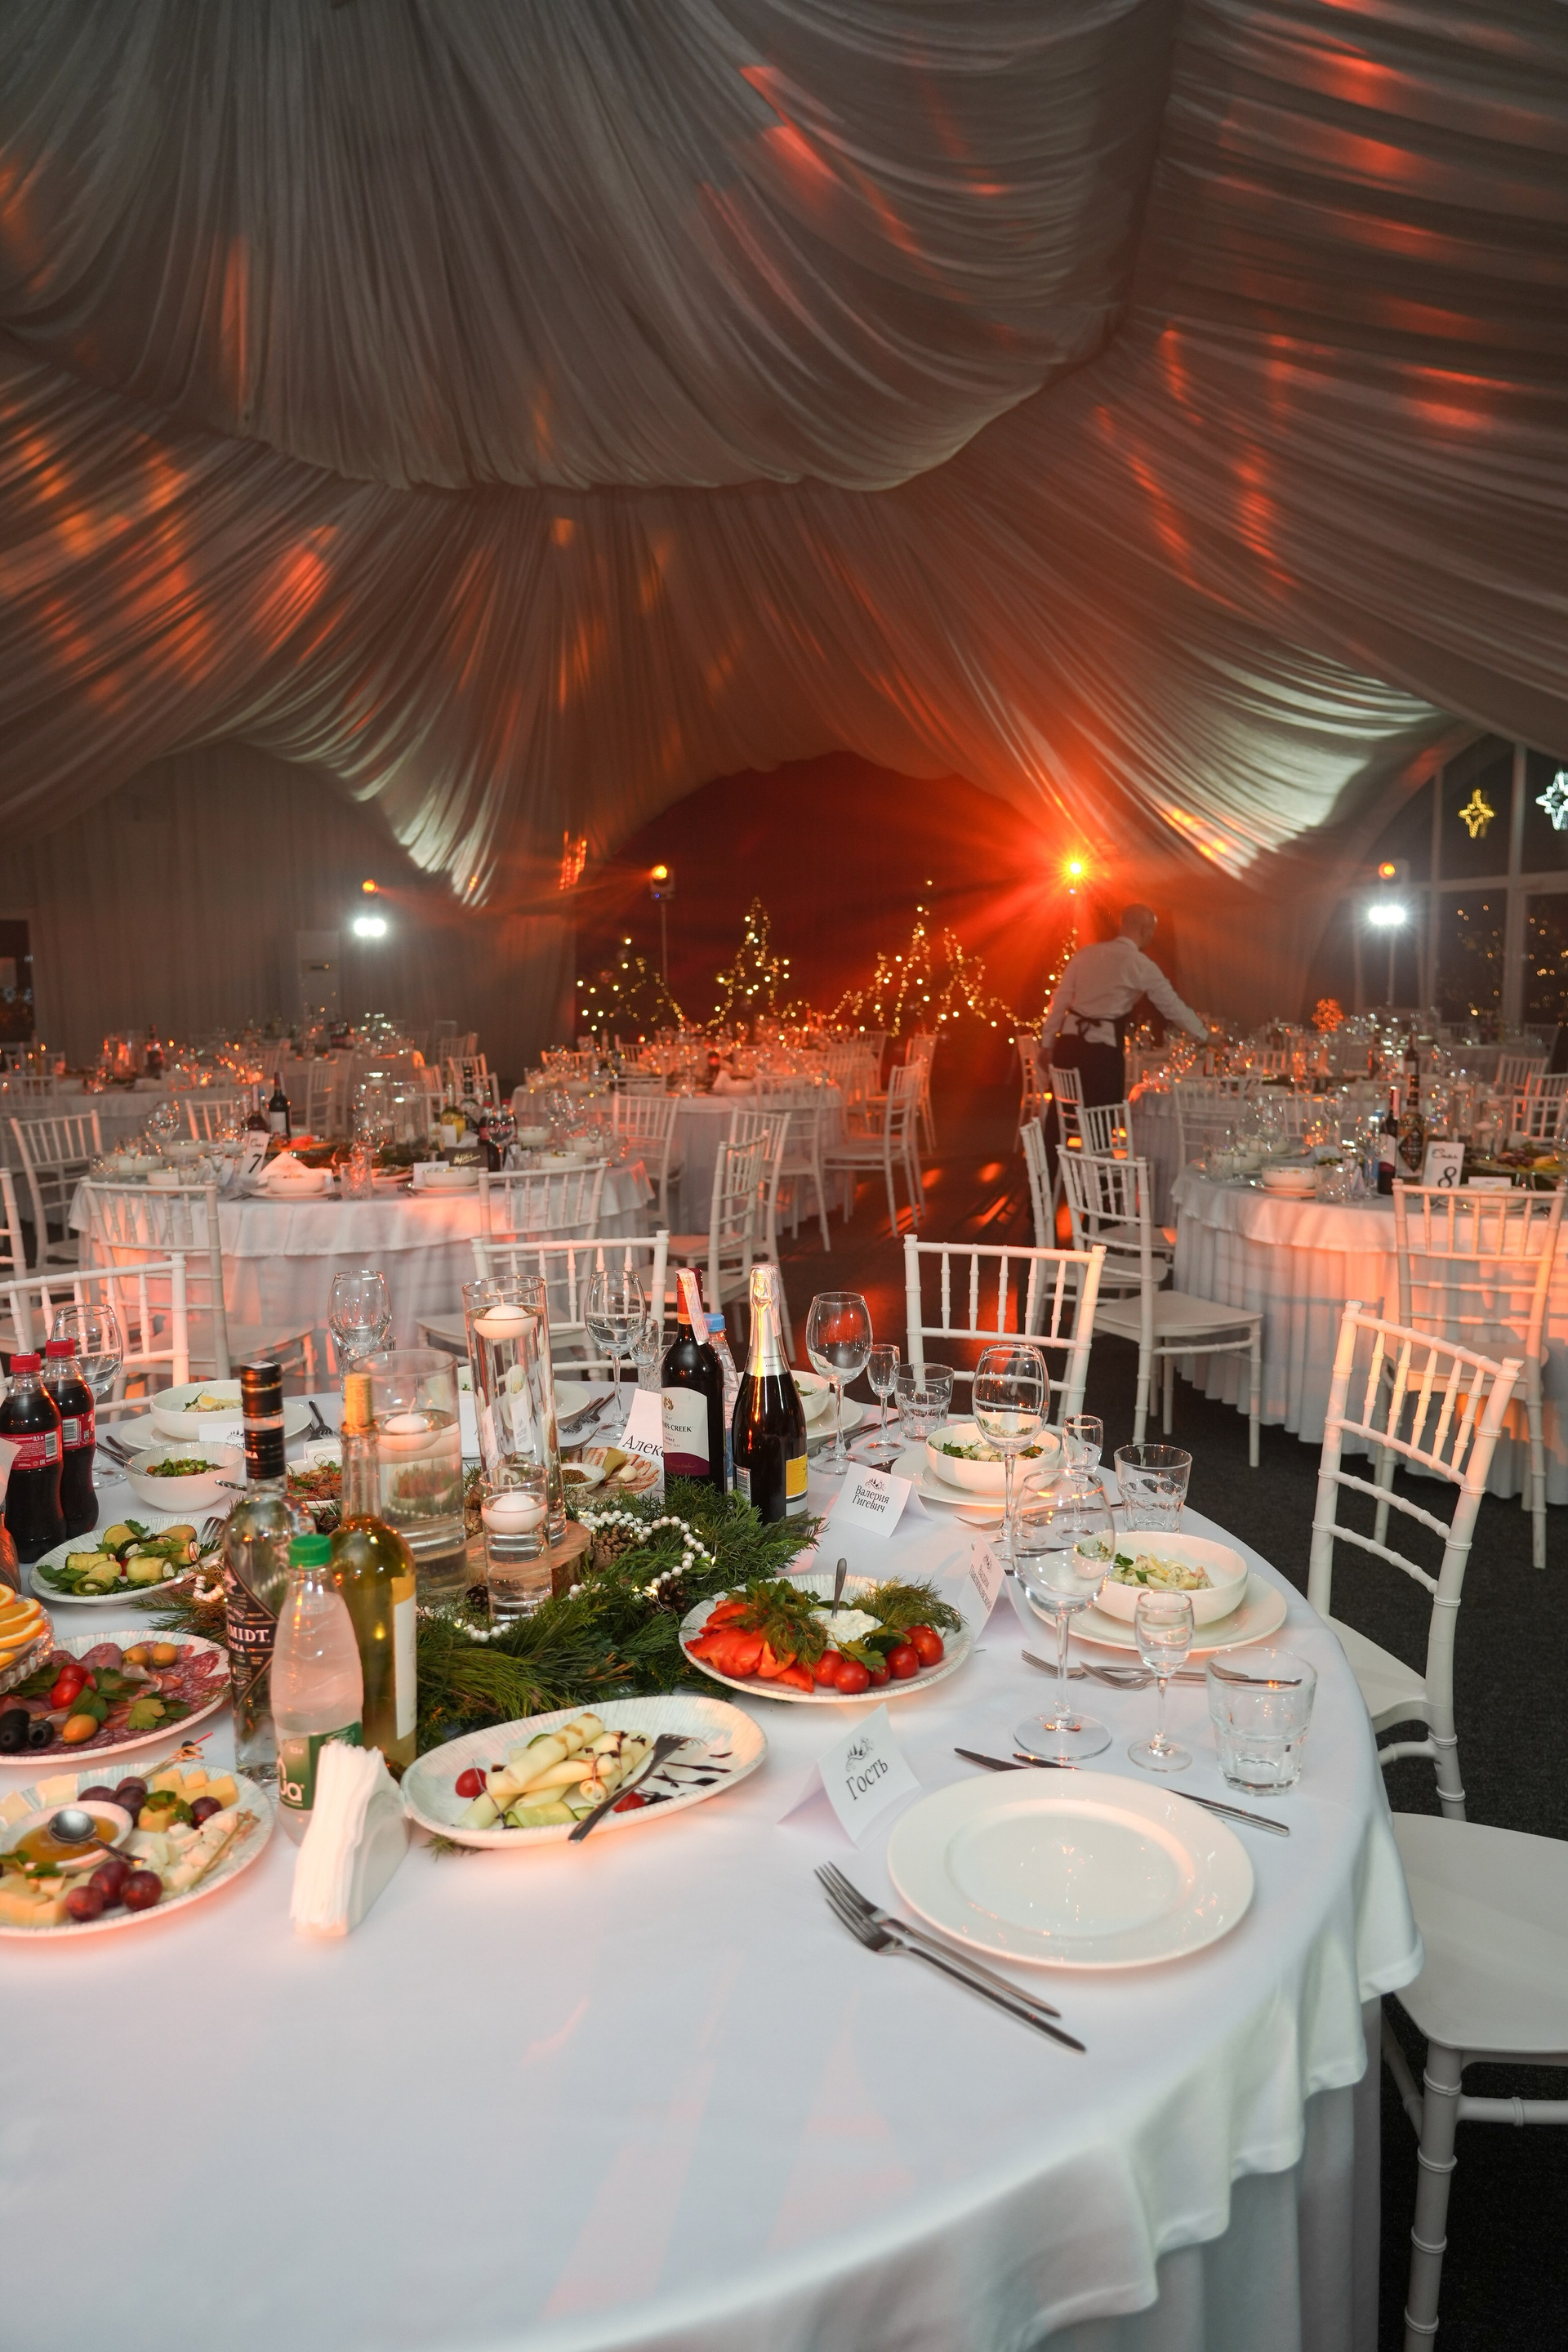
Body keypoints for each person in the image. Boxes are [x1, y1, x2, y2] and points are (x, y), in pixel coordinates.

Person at [1040, 906, 1206, 1107]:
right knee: (1101, 1117)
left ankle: (1055, 1130)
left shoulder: (1085, 954)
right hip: (1102, 1051)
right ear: (1145, 930)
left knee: (1060, 1115)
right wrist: (1203, 1034)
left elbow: (1060, 1001)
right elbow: (1172, 1006)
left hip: (1068, 1046)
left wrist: (1047, 1043)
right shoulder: (1141, 964)